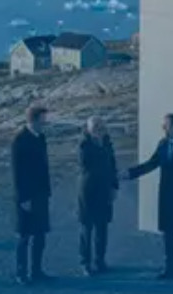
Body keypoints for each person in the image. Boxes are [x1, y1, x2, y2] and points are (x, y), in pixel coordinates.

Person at [124, 113, 173, 281]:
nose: (163, 128)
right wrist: (129, 173)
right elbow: (151, 164)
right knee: (168, 234)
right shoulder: (163, 144)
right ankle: (170, 268)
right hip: (166, 197)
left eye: (166, 125)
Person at [11, 104, 53, 285]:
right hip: (27, 197)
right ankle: (21, 273)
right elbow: (17, 172)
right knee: (24, 235)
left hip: (41, 194)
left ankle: (37, 270)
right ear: (34, 119)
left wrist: (47, 190)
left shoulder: (41, 137)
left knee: (40, 234)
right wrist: (23, 198)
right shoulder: (20, 140)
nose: (46, 122)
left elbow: (44, 167)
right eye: (43, 119)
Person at [76, 116, 119, 276]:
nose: (99, 130)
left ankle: (100, 260)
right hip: (88, 192)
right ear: (88, 129)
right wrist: (99, 145)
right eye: (95, 127)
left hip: (104, 191)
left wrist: (114, 186)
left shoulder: (107, 143)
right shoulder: (84, 145)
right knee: (87, 227)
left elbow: (112, 165)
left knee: (102, 227)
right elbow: (87, 164)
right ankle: (85, 262)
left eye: (101, 126)